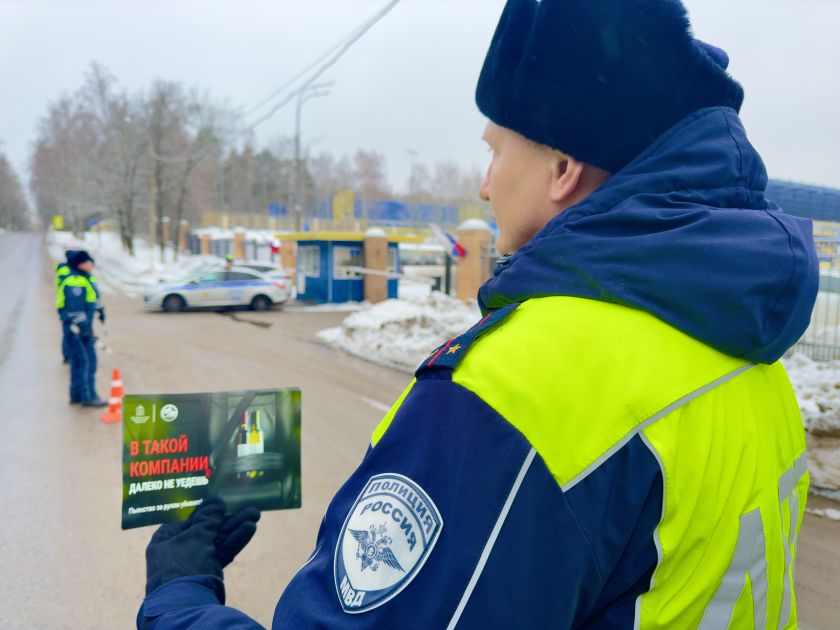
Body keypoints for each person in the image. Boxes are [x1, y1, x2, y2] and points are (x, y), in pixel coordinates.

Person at [138, 0, 819, 627]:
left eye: (496, 150)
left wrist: (179, 591)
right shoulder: (753, 366)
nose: (483, 183)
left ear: (562, 168)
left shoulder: (521, 386)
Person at [57, 250, 107, 407]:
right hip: (78, 329)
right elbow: (75, 308)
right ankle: (89, 396)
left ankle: (77, 395)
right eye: (88, 261)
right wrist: (83, 327)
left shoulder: (83, 278)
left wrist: (99, 309)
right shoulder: (76, 281)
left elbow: (90, 298)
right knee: (88, 361)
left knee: (78, 362)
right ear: (81, 264)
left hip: (77, 328)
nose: (91, 264)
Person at [55, 249, 80, 364]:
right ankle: (68, 355)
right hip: (66, 305)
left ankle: (71, 354)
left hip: (66, 304)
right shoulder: (67, 271)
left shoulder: (67, 270)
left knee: (71, 331)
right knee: (68, 331)